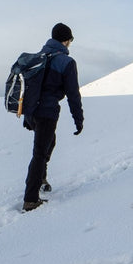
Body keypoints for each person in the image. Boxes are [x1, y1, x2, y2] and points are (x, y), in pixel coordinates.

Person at [22, 23, 84, 212]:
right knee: (40, 153)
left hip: (32, 112)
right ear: (65, 40)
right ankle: (31, 199)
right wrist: (78, 119)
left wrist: (27, 115)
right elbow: (73, 94)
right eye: (70, 40)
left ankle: (40, 178)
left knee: (49, 142)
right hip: (47, 113)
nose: (70, 44)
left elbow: (29, 87)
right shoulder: (66, 62)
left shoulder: (39, 57)